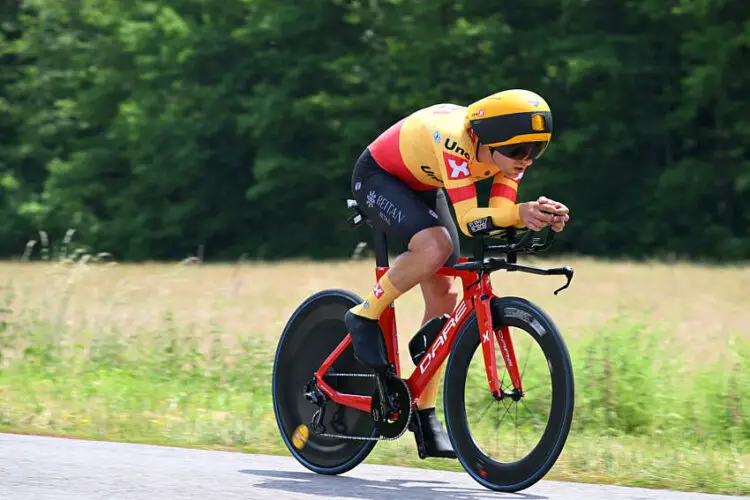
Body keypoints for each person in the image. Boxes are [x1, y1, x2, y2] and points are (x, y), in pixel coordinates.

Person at [344, 89, 570, 458]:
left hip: (425, 184)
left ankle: (424, 415)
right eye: (517, 152)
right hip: (378, 176)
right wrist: (520, 212)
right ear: (487, 140)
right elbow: (470, 222)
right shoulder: (456, 141)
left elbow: (496, 216)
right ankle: (363, 314)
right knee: (436, 247)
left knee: (446, 295)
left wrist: (537, 217)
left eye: (534, 152)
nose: (525, 161)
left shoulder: (506, 161)